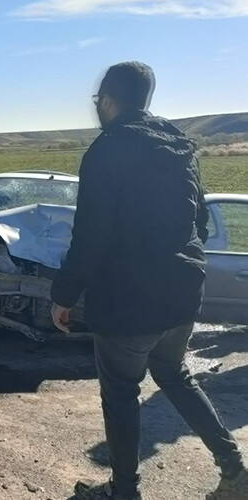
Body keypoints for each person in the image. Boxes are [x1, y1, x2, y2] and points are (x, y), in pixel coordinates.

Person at [50, 62, 246, 500]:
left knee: (120, 394)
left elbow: (90, 235)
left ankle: (125, 491)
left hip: (129, 299)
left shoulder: (107, 150)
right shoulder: (180, 148)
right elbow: (199, 219)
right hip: (181, 293)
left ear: (108, 99)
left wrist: (63, 295)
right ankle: (235, 470)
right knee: (174, 374)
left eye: (98, 99)